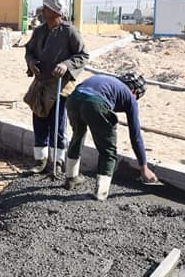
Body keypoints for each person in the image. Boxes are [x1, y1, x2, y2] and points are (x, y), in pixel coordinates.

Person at [23, 0, 89, 174]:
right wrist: (31, 62)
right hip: (40, 84)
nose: (42, 11)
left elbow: (83, 55)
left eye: (46, 9)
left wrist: (66, 65)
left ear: (55, 12)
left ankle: (58, 161)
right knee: (39, 120)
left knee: (58, 124)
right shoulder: (39, 31)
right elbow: (29, 51)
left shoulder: (69, 32)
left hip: (60, 85)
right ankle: (40, 160)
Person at [65, 72, 157, 201]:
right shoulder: (130, 97)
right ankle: (101, 193)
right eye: (137, 97)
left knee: (78, 135)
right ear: (135, 91)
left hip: (73, 99)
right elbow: (135, 136)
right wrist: (144, 168)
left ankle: (71, 178)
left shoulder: (108, 82)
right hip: (95, 103)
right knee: (108, 151)